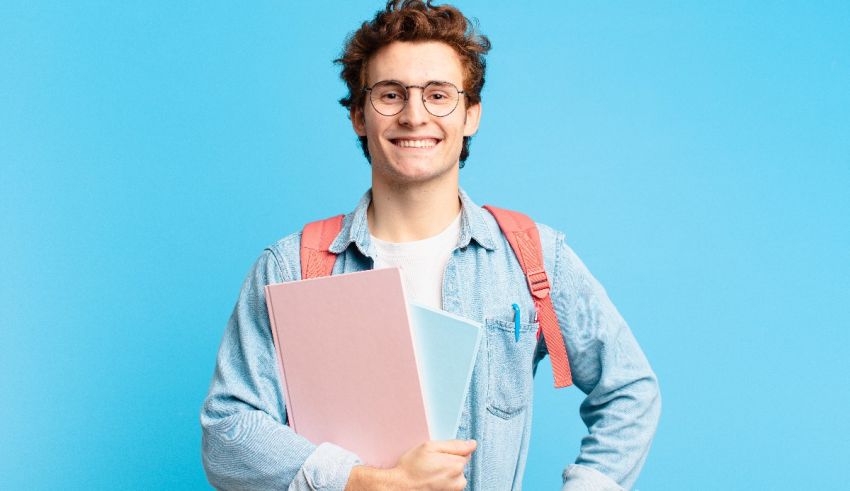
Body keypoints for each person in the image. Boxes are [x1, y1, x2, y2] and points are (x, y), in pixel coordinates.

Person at [200, 1, 661, 489]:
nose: (414, 115)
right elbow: (228, 431)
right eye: (391, 94)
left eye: (438, 95)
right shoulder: (292, 267)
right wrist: (363, 482)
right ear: (359, 115)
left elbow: (629, 390)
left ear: (471, 115)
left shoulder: (532, 257)